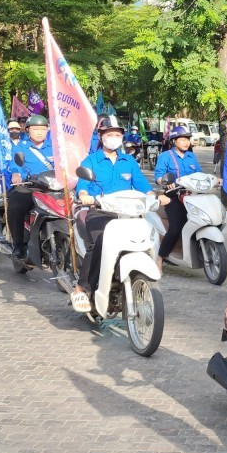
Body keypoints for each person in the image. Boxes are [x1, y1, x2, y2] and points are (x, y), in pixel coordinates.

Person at [72, 115, 168, 313]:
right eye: (109, 134)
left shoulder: (129, 161)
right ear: (101, 136)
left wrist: (154, 196)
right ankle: (81, 287)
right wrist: (84, 195)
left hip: (127, 214)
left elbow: (141, 183)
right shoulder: (91, 161)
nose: (113, 137)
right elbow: (83, 185)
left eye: (117, 134)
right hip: (100, 212)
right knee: (98, 243)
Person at [5, 115, 54, 260]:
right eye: (35, 129)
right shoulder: (21, 147)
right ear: (27, 130)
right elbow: (15, 165)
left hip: (52, 188)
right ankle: (18, 244)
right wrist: (16, 175)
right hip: (30, 187)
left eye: (43, 129)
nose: (39, 132)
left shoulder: (55, 147)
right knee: (15, 206)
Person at [153, 125, 203, 268]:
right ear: (174, 141)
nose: (186, 142)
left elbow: (198, 174)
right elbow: (158, 176)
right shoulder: (165, 156)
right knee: (175, 228)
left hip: (192, 196)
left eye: (187, 139)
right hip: (174, 196)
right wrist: (165, 182)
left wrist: (214, 180)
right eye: (182, 139)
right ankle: (160, 258)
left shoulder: (191, 156)